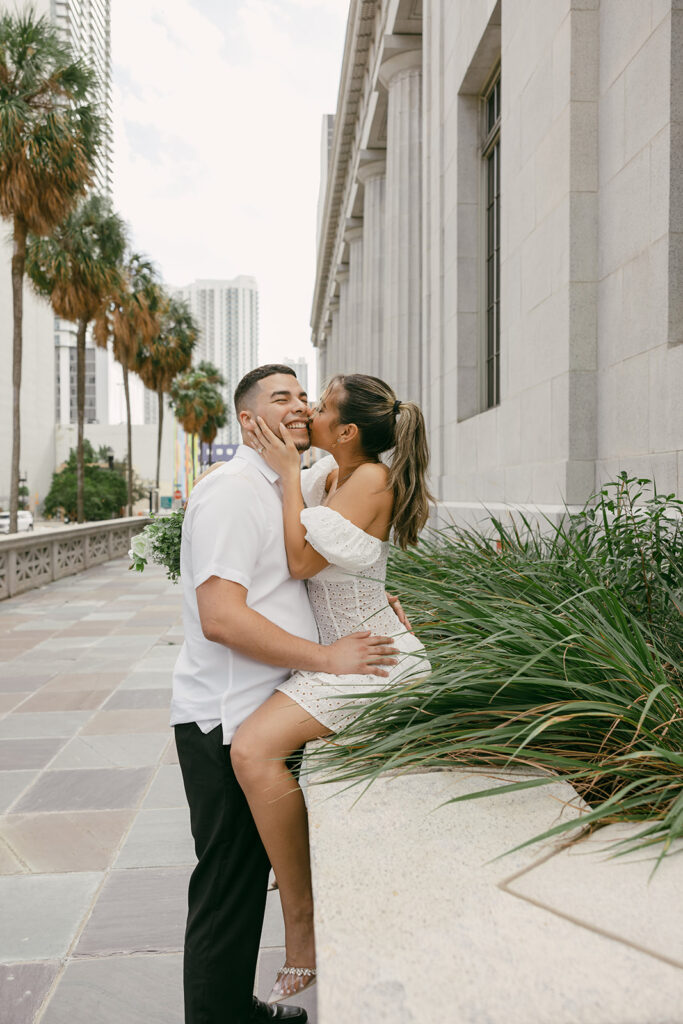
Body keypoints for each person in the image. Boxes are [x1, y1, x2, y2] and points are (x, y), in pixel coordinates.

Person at [171, 365, 401, 1024]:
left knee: (243, 882)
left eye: (303, 395)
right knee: (226, 886)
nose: (300, 406)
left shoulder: (286, 485)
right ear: (247, 421)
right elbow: (222, 617)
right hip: (226, 716)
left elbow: (315, 569)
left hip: (277, 697)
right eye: (283, 398)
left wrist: (374, 601)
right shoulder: (233, 493)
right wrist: (326, 656)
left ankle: (233, 1010)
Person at [230, 373, 433, 1005]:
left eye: (318, 406)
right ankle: (301, 906)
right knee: (258, 749)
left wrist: (287, 472)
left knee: (252, 749)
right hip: (338, 653)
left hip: (368, 661)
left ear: (345, 432)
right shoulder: (329, 476)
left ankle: (302, 924)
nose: (308, 410)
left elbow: (301, 561)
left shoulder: (370, 478)